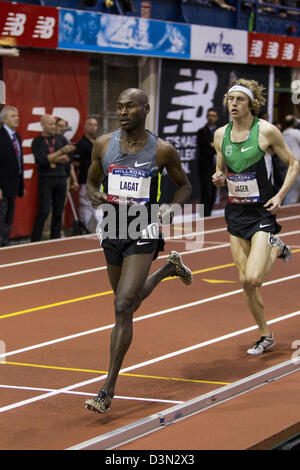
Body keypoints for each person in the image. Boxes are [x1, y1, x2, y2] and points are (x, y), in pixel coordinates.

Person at [84, 88, 192, 413]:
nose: (123, 111)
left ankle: (107, 388)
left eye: (130, 106)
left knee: (122, 306)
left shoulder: (162, 150)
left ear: (146, 109)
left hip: (144, 225)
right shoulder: (104, 145)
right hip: (113, 226)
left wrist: (172, 209)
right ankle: (169, 269)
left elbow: (185, 186)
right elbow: (90, 182)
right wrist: (94, 195)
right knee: (126, 302)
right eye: (119, 106)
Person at [212, 79, 299, 356]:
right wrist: (218, 177)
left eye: (239, 99)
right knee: (246, 283)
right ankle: (265, 334)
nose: (233, 104)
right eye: (230, 99)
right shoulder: (220, 135)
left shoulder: (266, 132)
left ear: (251, 104)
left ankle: (275, 245)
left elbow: (294, 163)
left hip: (262, 211)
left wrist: (281, 195)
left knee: (255, 278)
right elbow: (221, 169)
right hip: (235, 213)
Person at [31, 114, 76, 241]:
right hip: (46, 178)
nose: (53, 127)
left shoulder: (61, 139)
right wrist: (60, 153)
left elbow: (69, 158)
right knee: (44, 210)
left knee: (58, 211)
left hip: (61, 178)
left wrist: (53, 157)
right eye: (50, 124)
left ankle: (54, 239)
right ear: (43, 125)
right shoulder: (37, 141)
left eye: (54, 124)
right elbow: (42, 160)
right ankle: (35, 239)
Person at [0, 106, 24, 246]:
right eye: (12, 116)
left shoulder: (17, 136)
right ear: (4, 119)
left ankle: (5, 242)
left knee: (9, 215)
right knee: (1, 215)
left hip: (13, 184)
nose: (17, 118)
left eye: (17, 115)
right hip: (2, 185)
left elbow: (18, 161)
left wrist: (21, 185)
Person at [77, 117, 99, 232]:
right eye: (90, 124)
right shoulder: (81, 144)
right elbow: (76, 163)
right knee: (85, 206)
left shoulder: (98, 143)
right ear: (85, 127)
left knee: (98, 205)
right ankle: (84, 229)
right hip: (85, 180)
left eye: (95, 125)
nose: (93, 127)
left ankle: (97, 231)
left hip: (98, 180)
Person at [196, 108, 219, 216]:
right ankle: (202, 213)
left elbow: (222, 147)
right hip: (205, 165)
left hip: (216, 165)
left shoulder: (220, 132)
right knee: (205, 190)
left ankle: (209, 213)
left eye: (213, 115)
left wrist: (213, 146)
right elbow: (203, 148)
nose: (211, 117)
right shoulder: (201, 132)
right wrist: (214, 147)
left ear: (216, 118)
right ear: (206, 117)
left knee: (213, 190)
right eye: (209, 115)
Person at [281, 115, 300, 205]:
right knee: (293, 187)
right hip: (296, 162)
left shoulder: (283, 133)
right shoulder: (296, 132)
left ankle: (287, 206)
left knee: (289, 187)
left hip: (285, 163)